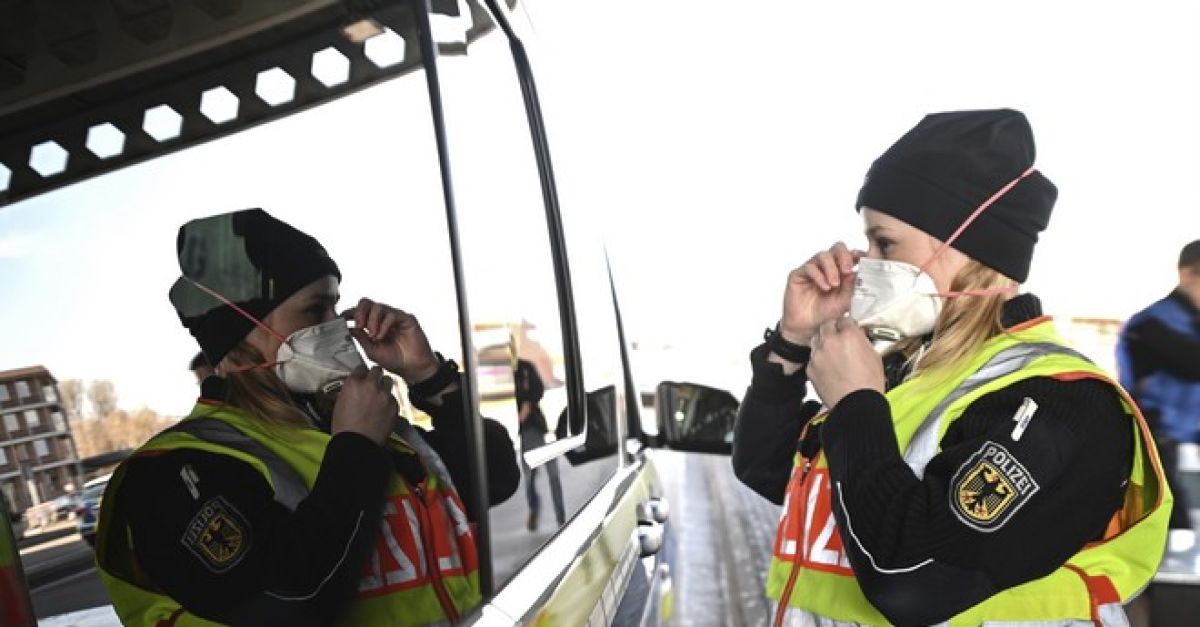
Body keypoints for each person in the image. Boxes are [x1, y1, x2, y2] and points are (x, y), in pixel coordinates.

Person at [732, 109, 1171, 626]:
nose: (861, 262)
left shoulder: (1057, 402)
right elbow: (766, 467)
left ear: (967, 247)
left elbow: (915, 580)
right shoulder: (910, 375)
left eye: (885, 243)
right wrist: (794, 340)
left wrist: (854, 406)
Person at [95, 209, 519, 626]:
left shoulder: (362, 423)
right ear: (242, 332)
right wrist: (354, 451)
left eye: (337, 307)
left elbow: (496, 477)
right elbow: (288, 600)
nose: (341, 328)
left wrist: (428, 376)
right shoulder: (173, 471)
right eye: (316, 312)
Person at [1117, 240, 1200, 572]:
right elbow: (1192, 363)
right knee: (1167, 548)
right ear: (1189, 274)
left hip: (1183, 445)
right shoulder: (1151, 325)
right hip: (1154, 451)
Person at [514, 358, 565, 531]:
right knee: (529, 478)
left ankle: (561, 517)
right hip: (523, 432)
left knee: (553, 476)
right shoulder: (499, 375)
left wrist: (527, 405)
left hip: (536, 428)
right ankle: (535, 510)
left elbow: (538, 389)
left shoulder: (526, 367)